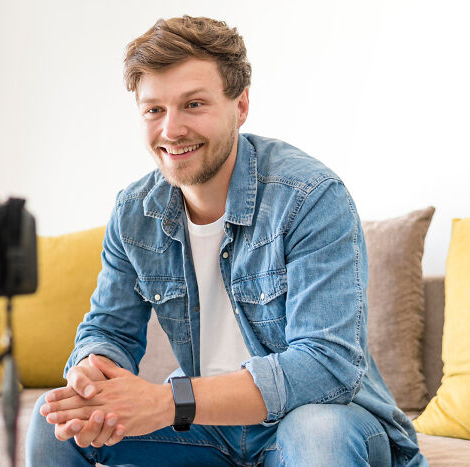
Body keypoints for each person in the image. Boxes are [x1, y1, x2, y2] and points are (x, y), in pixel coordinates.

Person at [26, 15, 426, 466]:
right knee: (54, 421)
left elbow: (326, 367)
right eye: (154, 110)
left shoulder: (310, 197)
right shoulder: (134, 211)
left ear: (240, 106)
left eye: (193, 105)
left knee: (318, 432)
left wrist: (169, 401)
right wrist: (91, 370)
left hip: (314, 420)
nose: (171, 130)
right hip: (204, 429)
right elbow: (109, 329)